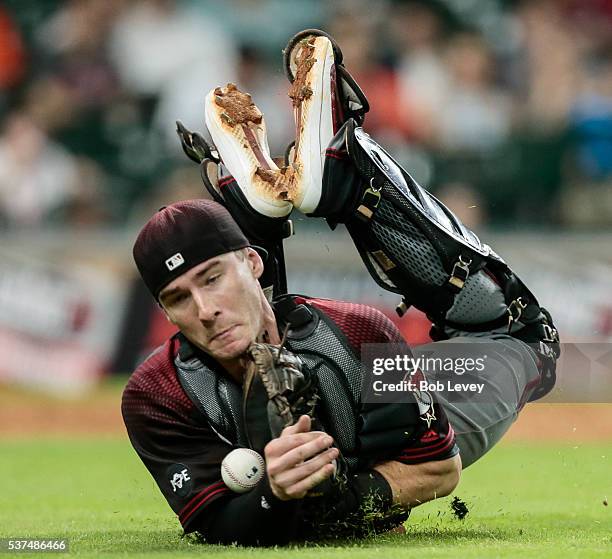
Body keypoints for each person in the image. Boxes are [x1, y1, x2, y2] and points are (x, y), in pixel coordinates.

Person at [122, 30, 559, 545]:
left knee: (526, 338)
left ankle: (329, 186)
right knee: (267, 328)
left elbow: (439, 469)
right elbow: (211, 521)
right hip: (343, 384)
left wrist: (335, 499)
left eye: (213, 279)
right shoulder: (154, 396)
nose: (205, 310)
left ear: (253, 263)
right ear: (165, 314)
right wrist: (276, 496)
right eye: (178, 299)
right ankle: (323, 182)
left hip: (397, 384)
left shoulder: (359, 334)